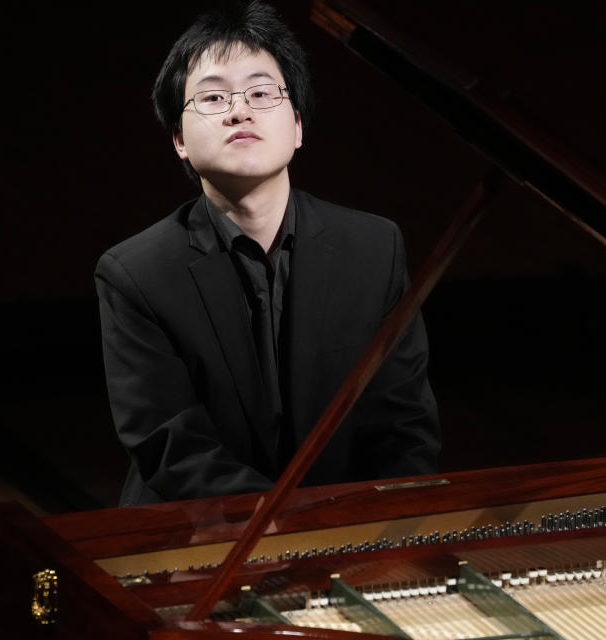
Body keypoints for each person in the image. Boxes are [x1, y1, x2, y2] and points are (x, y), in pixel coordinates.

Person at [95, 1, 440, 506]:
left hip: (345, 530)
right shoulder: (135, 273)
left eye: (261, 92)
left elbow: (402, 421)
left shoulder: (374, 247)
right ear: (179, 141)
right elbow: (171, 445)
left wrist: (386, 523)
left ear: (297, 126)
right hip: (192, 536)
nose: (240, 109)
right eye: (212, 98)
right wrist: (288, 524)